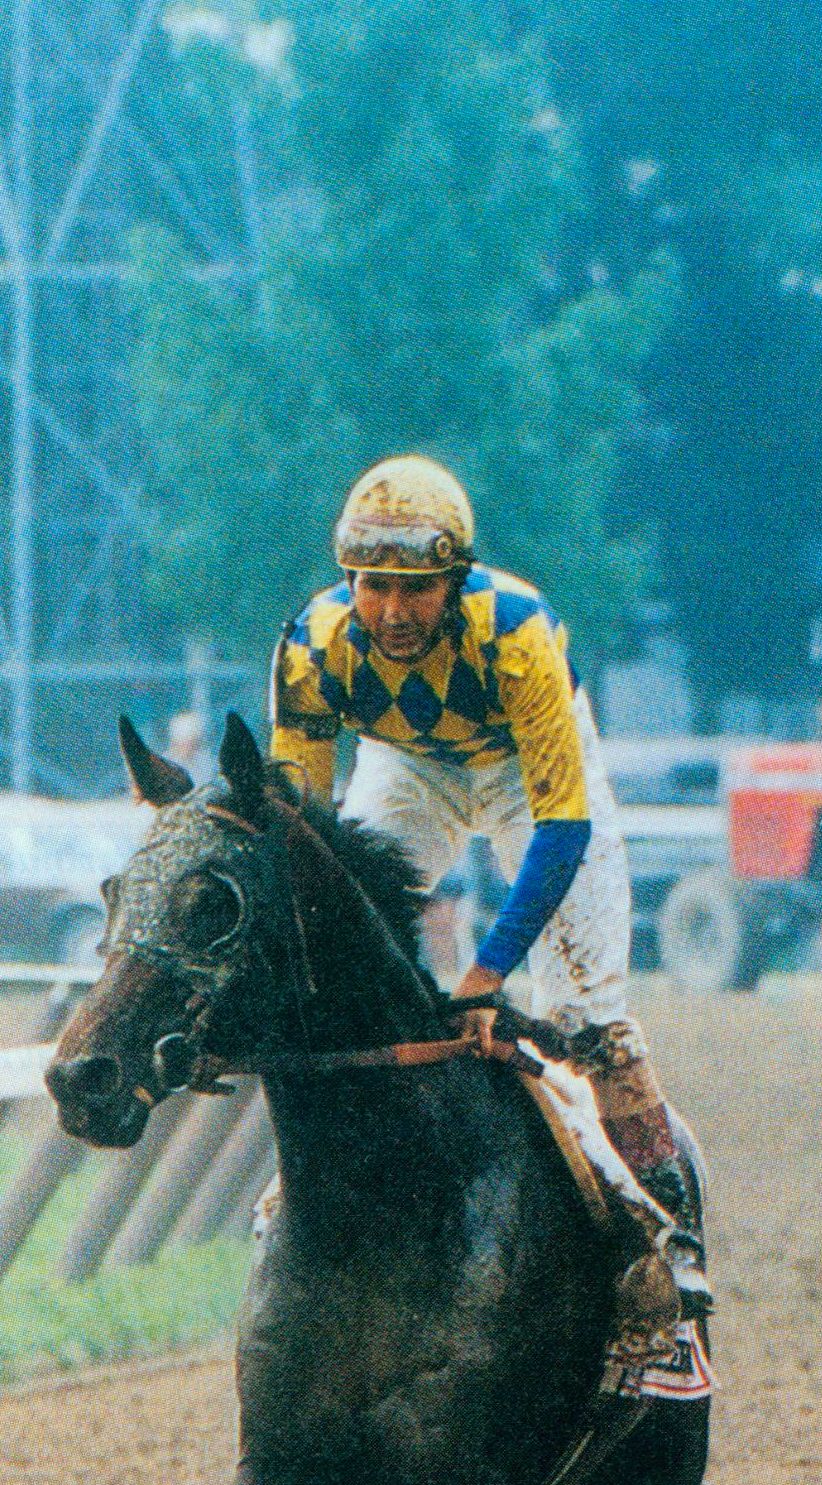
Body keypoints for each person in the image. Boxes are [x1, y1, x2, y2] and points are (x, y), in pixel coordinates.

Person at [270, 454, 710, 1332]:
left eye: (417, 590)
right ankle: (308, 1200)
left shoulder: (517, 632)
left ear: (455, 581)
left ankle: (666, 1258)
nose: (393, 613)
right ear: (346, 579)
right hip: (407, 768)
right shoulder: (310, 646)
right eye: (372, 587)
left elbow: (561, 831)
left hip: (527, 774)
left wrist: (486, 971)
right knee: (343, 974)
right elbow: (300, 841)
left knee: (588, 1019)